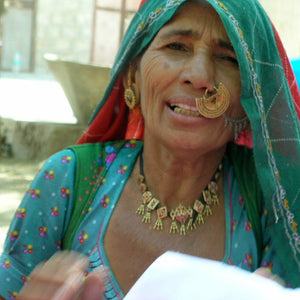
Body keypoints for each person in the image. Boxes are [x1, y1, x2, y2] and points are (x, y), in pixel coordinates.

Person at [1, 0, 300, 299]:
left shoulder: (274, 201)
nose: (199, 76)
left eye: (229, 58)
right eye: (177, 47)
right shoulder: (68, 179)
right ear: (133, 75)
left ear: (251, 98)